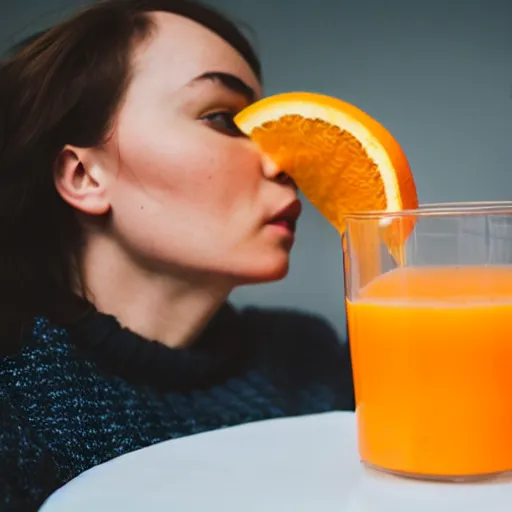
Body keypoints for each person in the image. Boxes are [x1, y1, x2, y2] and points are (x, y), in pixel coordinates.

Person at [0, 0, 354, 509]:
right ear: (84, 176)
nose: (284, 162)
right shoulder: (16, 391)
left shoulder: (308, 359)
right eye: (223, 119)